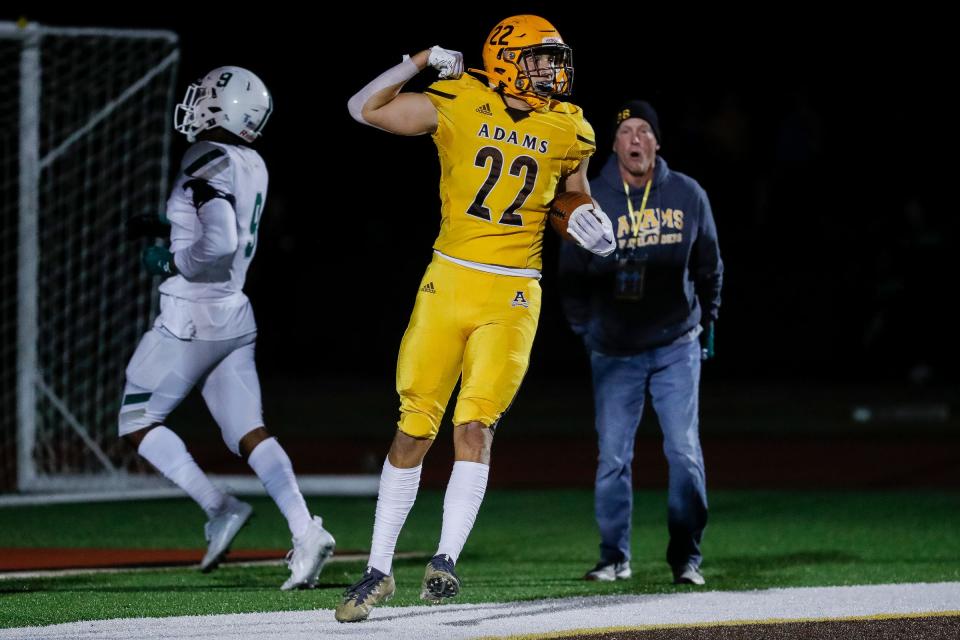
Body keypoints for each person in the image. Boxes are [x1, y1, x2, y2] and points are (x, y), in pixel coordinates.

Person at [335, 15, 614, 623]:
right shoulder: (461, 97)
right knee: (413, 427)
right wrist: (420, 60)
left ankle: (445, 559)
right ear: (508, 59)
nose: (552, 70)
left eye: (553, 59)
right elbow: (364, 107)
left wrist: (590, 222)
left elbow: (573, 194)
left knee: (475, 426)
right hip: (448, 279)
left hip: (513, 293)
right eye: (540, 59)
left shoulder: (569, 125)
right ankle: (377, 569)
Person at [118, 66, 335, 591]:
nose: (198, 105)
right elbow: (217, 221)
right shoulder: (251, 161)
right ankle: (305, 530)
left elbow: (217, 241)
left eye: (208, 98)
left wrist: (173, 262)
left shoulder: (206, 155)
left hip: (192, 316)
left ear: (226, 108)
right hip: (235, 313)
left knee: (137, 421)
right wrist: (169, 228)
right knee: (249, 433)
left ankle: (219, 506)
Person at [558, 100, 722, 586]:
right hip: (613, 351)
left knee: (684, 452)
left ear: (656, 142)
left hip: (676, 344)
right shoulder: (590, 197)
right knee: (613, 458)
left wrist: (706, 323)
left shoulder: (687, 193)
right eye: (627, 130)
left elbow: (710, 266)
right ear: (613, 143)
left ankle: (686, 556)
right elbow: (569, 274)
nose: (635, 139)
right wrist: (587, 331)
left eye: (644, 130)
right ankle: (614, 556)